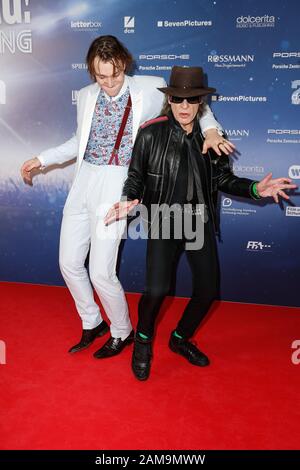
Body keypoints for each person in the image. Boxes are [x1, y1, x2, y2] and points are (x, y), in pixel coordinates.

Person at [20, 36, 234, 359]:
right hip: (84, 180)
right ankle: (92, 322)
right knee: (68, 262)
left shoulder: (150, 87)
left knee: (101, 272)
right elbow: (80, 140)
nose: (108, 83)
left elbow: (191, 104)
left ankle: (123, 331)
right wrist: (43, 158)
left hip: (117, 182)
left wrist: (213, 129)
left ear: (125, 64)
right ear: (92, 72)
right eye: (100, 76)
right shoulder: (86, 95)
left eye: (115, 75)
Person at [104, 65, 297, 379]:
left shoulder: (213, 140)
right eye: (178, 99)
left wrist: (255, 189)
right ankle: (143, 340)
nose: (184, 106)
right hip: (165, 220)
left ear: (200, 103)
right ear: (170, 100)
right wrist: (129, 198)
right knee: (155, 290)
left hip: (197, 222)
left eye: (191, 100)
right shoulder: (150, 133)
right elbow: (136, 176)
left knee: (207, 291)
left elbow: (223, 179)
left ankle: (179, 338)